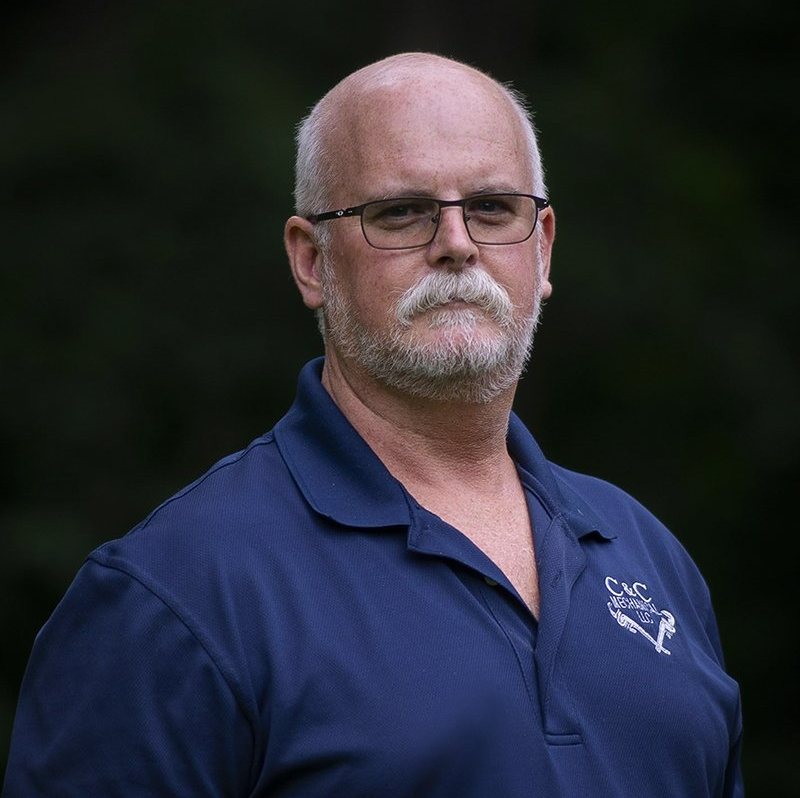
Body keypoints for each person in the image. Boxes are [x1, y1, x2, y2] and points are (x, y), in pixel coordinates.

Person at [3, 52, 744, 797]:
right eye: (400, 212)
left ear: (542, 245)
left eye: (492, 207)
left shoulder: (647, 556)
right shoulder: (175, 593)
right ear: (311, 262)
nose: (456, 242)